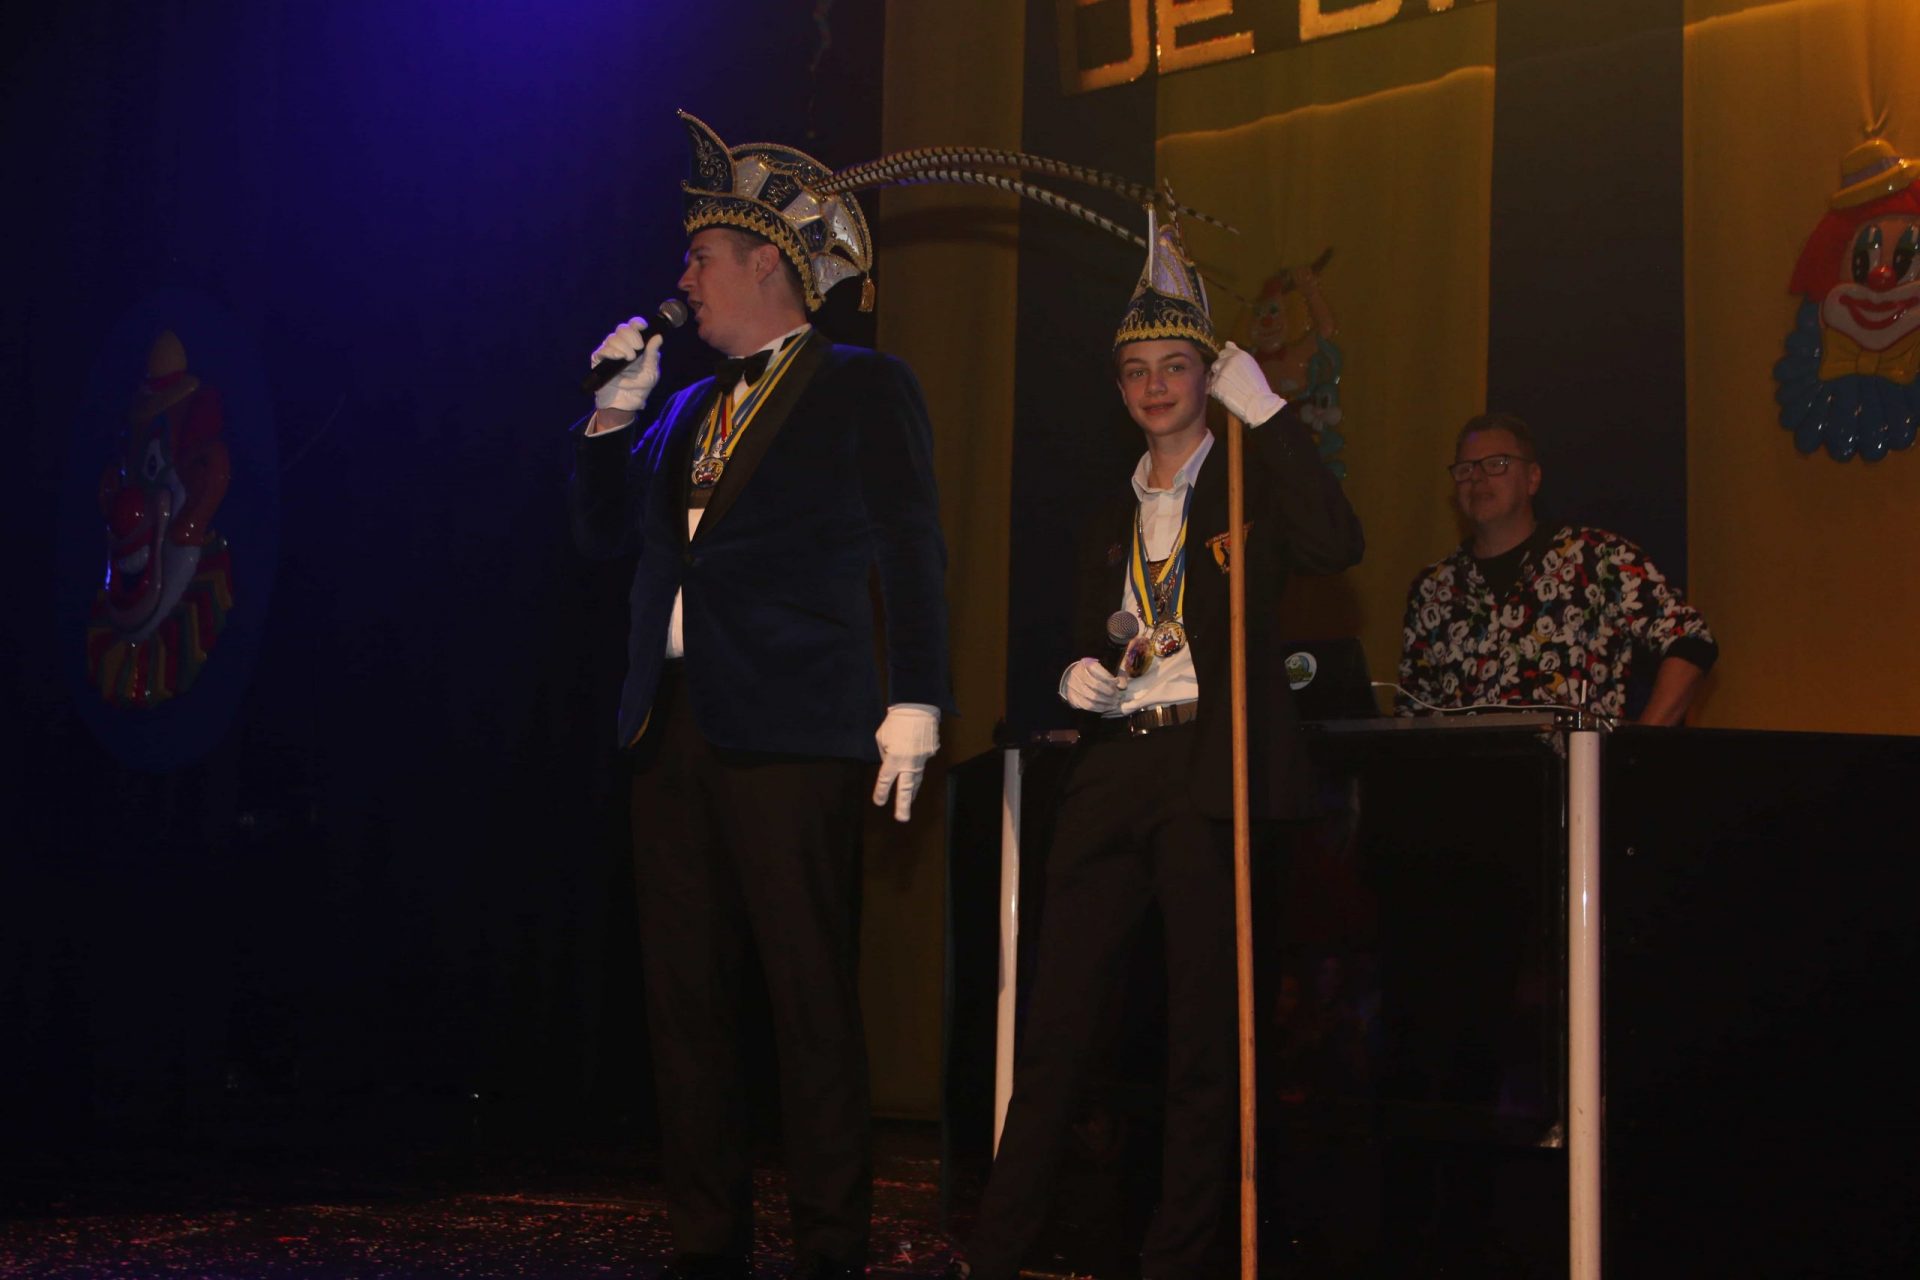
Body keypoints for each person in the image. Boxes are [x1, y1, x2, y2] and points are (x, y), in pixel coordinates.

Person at [569, 112, 951, 1280]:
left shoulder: (862, 385)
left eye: (699, 257)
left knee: (807, 995)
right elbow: (600, 537)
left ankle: (831, 1246)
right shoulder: (687, 407)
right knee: (684, 1001)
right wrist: (612, 416)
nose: (682, 278)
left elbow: (912, 546)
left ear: (765, 264)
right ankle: (708, 1241)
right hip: (672, 725)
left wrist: (917, 699)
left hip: (796, 726)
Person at [948, 210, 1364, 1280]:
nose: (1154, 385)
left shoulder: (1252, 482)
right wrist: (1076, 676)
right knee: (1056, 1026)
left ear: (1206, 377)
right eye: (1135, 370)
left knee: (1203, 1041)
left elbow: (1337, 544)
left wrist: (1270, 415)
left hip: (1212, 769)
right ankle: (994, 1250)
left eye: (1175, 365)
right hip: (1115, 764)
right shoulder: (1107, 516)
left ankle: (1176, 1259)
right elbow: (1100, 634)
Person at [1397, 412, 1717, 723]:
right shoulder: (1433, 588)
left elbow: (1690, 638)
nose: (1477, 478)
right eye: (1465, 469)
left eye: (1496, 464)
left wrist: (1641, 745)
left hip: (1575, 760)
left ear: (1532, 478)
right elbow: (1412, 712)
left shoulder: (1597, 558)